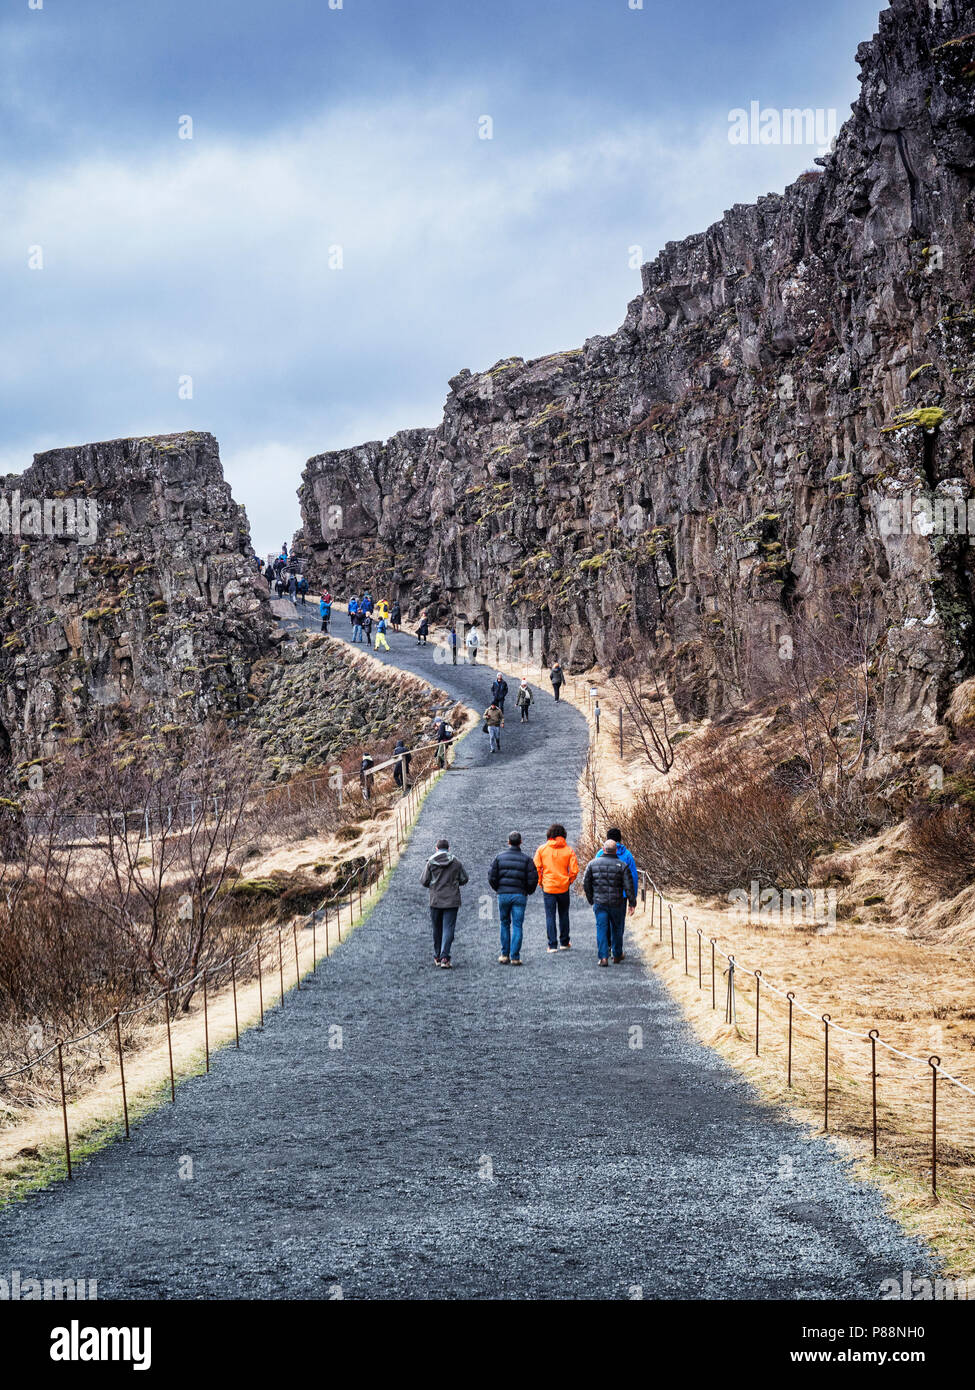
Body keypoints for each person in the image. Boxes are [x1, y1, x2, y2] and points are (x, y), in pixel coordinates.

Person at [488, 831, 539, 965]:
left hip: (503, 894)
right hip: (519, 895)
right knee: (517, 925)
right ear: (520, 842)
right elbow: (533, 878)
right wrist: (527, 891)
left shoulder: (499, 858)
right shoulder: (527, 859)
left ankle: (504, 954)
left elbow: (492, 876)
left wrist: (498, 889)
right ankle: (515, 956)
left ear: (508, 842)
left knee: (504, 923)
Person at [583, 840, 637, 966]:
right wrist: (632, 903)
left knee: (601, 928)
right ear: (616, 850)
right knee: (617, 929)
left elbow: (586, 883)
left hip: (600, 902)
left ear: (604, 849)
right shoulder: (622, 865)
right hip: (617, 903)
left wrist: (591, 898)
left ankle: (603, 957)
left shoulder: (592, 864)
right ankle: (617, 955)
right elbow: (628, 886)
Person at [421, 838, 468, 968]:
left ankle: (437, 956)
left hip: (435, 900)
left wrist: (434, 885)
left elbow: (424, 880)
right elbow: (464, 879)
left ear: (436, 848)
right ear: (448, 848)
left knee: (437, 928)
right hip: (452, 900)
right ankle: (445, 957)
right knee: (448, 928)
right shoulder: (456, 862)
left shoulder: (430, 862)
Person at [533, 824, 579, 953]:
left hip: (548, 887)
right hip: (563, 887)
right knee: (564, 914)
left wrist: (540, 882)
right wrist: (569, 881)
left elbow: (536, 868)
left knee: (550, 916)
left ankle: (552, 945)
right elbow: (574, 870)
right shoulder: (568, 850)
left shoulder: (542, 849)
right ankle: (564, 942)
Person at [596, 827, 639, 902]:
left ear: (607, 839)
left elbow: (594, 874)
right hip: (621, 896)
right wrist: (633, 897)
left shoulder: (600, 853)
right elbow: (633, 876)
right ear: (620, 839)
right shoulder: (627, 855)